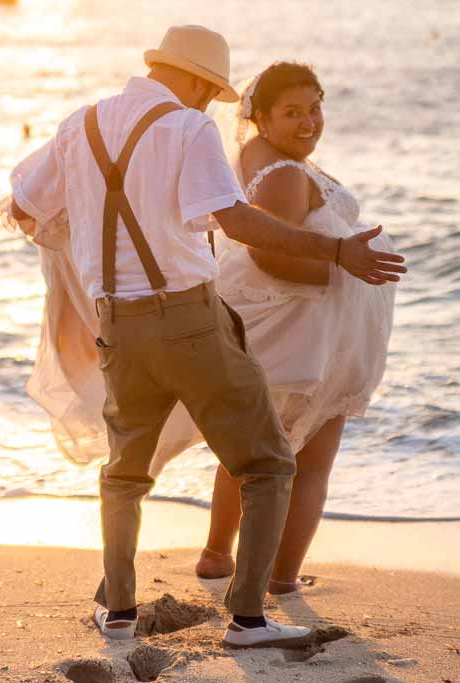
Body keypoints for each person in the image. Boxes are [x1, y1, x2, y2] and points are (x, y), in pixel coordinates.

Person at [1, 25, 405, 648]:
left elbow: (24, 209)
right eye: (209, 91)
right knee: (268, 462)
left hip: (118, 325)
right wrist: (338, 250)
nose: (207, 104)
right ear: (193, 80)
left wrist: (94, 246)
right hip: (187, 319)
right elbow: (238, 221)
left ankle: (118, 615)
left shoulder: (78, 124)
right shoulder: (188, 129)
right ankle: (247, 619)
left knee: (125, 474)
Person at [194, 62, 398, 593]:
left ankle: (218, 556)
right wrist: (345, 268)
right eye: (292, 112)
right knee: (307, 464)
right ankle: (281, 578)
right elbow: (271, 255)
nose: (309, 122)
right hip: (302, 337)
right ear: (259, 116)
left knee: (249, 455)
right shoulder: (283, 173)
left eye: (315, 107)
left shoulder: (267, 158)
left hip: (294, 332)